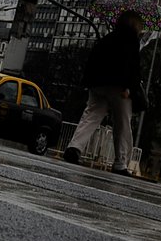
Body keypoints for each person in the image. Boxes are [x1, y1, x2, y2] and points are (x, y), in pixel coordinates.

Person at [62, 10, 145, 173]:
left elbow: (92, 61)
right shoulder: (132, 41)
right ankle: (120, 162)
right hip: (119, 86)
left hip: (97, 84)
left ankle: (74, 147)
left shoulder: (107, 38)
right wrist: (129, 87)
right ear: (134, 24)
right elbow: (132, 67)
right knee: (122, 123)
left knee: (91, 115)